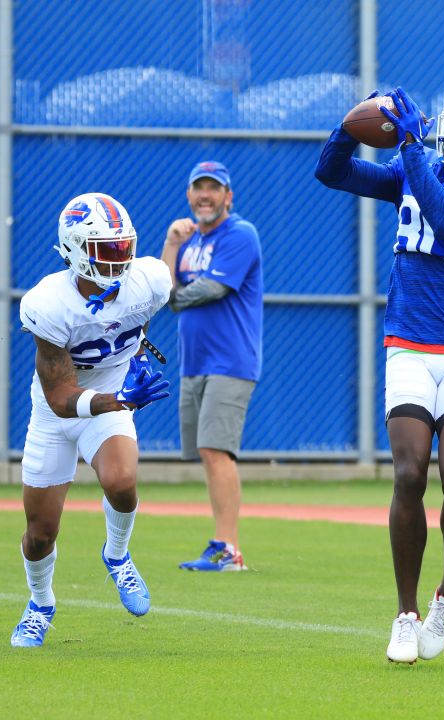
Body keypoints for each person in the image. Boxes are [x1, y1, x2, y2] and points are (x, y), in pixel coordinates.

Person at [314, 84, 444, 663]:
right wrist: (351, 124)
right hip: (408, 340)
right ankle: (405, 613)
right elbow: (332, 172)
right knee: (410, 473)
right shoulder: (422, 163)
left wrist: (409, 147)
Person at [10, 192, 174, 648]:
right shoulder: (50, 303)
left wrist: (137, 350)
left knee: (122, 481)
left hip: (113, 398)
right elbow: (62, 397)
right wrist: (118, 396)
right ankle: (41, 603)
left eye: (124, 248)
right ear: (75, 250)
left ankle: (117, 555)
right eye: (108, 250)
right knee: (40, 534)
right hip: (57, 412)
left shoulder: (149, 281)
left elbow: (137, 317)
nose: (121, 260)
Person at [159, 161, 263, 572]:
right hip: (194, 362)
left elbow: (205, 290)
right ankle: (221, 544)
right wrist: (169, 245)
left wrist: (171, 294)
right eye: (198, 188)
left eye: (213, 188)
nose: (205, 195)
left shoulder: (240, 234)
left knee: (216, 451)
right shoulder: (185, 241)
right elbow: (158, 291)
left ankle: (228, 550)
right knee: (207, 453)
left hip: (230, 360)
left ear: (228, 196)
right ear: (189, 195)